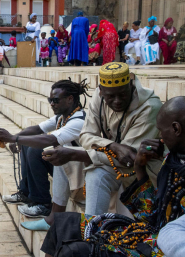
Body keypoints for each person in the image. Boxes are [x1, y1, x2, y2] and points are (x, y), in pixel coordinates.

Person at [41, 96, 185, 257]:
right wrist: (140, 168)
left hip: (161, 248)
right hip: (148, 233)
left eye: (161, 131)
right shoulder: (172, 159)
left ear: (176, 129)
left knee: (74, 252)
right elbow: (151, 215)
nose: (160, 138)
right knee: (63, 224)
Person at [43, 62, 162, 217]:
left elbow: (129, 158)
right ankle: (58, 218)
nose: (117, 101)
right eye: (111, 97)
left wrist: (74, 154)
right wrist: (112, 146)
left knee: (85, 165)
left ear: (131, 86)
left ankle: (91, 230)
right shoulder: (99, 98)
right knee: (64, 152)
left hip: (139, 171)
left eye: (122, 95)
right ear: (101, 92)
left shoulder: (149, 107)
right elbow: (85, 135)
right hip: (112, 160)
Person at [0, 79, 89, 220]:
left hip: (80, 177)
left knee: (36, 149)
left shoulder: (78, 121)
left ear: (70, 99)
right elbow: (38, 129)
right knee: (28, 144)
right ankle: (26, 193)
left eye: (55, 100)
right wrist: (17, 136)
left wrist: (13, 139)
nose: (52, 104)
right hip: (69, 169)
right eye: (50, 100)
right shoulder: (61, 117)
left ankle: (43, 204)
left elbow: (50, 140)